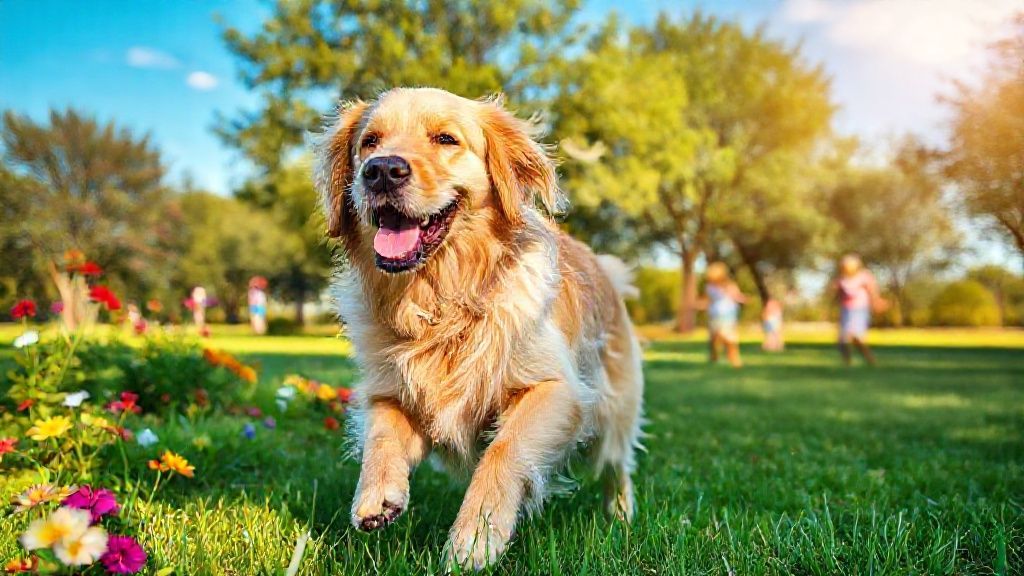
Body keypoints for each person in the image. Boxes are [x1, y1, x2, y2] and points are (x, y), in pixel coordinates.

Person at [835, 254, 888, 366]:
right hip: (846, 310)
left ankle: (870, 359)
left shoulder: (864, 276)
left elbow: (873, 292)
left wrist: (877, 302)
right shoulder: (842, 278)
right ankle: (847, 363)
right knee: (842, 340)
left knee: (856, 337)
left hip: (859, 310)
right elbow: (838, 294)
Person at [699, 262, 747, 368]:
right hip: (714, 315)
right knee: (714, 338)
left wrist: (742, 299)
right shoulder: (709, 287)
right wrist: (699, 305)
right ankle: (713, 357)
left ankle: (734, 358)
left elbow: (736, 296)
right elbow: (708, 300)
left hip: (728, 315)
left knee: (730, 338)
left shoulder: (730, 285)